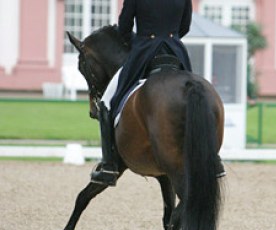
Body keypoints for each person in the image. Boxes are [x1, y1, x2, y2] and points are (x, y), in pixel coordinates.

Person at [91, 0, 225, 185]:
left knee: (107, 102)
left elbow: (124, 27)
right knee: (194, 92)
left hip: (143, 52)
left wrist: (139, 40)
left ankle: (108, 164)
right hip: (175, 52)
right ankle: (214, 159)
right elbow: (184, 27)